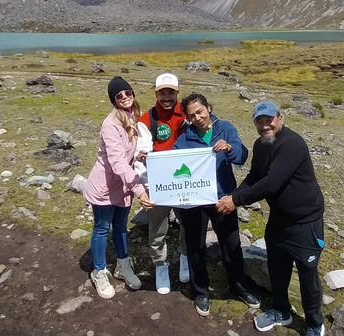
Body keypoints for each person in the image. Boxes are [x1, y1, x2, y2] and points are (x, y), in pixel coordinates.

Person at [216, 101, 325, 336]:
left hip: (305, 221)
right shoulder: (261, 144)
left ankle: (315, 323)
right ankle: (281, 310)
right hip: (279, 219)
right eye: (260, 121)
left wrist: (236, 200)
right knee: (277, 268)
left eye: (269, 120)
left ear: (280, 119)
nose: (265, 125)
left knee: (307, 275)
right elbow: (255, 176)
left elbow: (272, 182)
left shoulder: (292, 144)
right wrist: (232, 195)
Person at [173, 93, 259, 317]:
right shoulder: (184, 139)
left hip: (223, 199)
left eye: (200, 112)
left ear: (208, 108)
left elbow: (242, 156)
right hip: (195, 202)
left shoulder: (225, 128)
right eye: (191, 116)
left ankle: (239, 287)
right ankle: (200, 291)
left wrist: (230, 149)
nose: (197, 118)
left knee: (231, 244)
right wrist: (149, 160)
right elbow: (172, 166)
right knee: (195, 246)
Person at [83, 76, 154, 299]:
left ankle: (123, 265)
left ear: (133, 94)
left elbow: (130, 150)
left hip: (123, 185)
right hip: (105, 186)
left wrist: (139, 154)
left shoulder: (133, 116)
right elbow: (117, 163)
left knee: (121, 226)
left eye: (127, 92)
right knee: (102, 227)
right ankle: (99, 271)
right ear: (114, 100)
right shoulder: (111, 124)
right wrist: (140, 190)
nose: (124, 97)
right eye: (118, 95)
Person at [134, 73, 189, 295]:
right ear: (156, 94)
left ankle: (185, 255)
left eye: (171, 92)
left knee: (187, 222)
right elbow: (141, 154)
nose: (167, 97)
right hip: (158, 184)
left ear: (177, 93)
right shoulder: (146, 120)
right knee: (157, 228)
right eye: (162, 93)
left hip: (184, 182)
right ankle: (160, 265)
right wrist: (146, 188)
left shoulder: (188, 114)